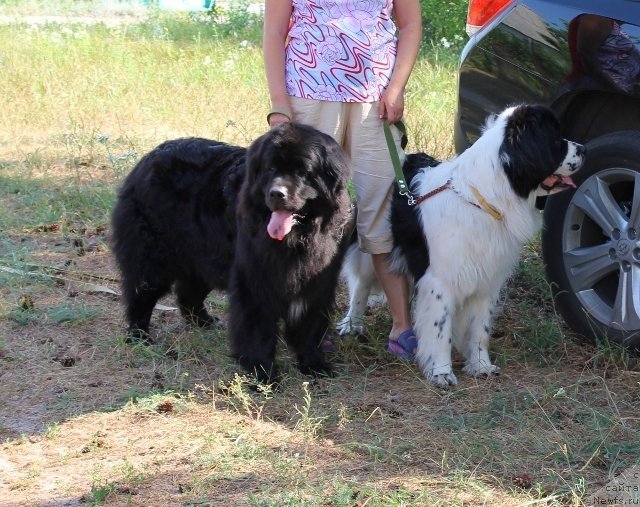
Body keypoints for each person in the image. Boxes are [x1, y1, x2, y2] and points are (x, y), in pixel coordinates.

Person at [262, 0, 423, 359]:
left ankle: (402, 326)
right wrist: (278, 103)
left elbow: (410, 25)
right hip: (308, 90)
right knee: (306, 212)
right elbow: (274, 30)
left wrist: (396, 87)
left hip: (376, 99)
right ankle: (308, 325)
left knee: (382, 209)